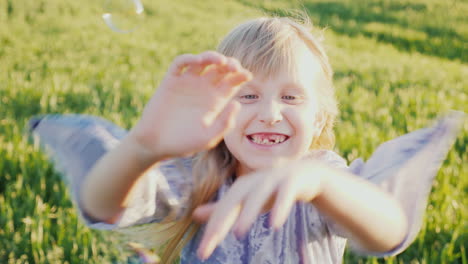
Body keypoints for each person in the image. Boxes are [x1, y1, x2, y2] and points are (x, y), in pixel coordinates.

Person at [30, 17, 463, 264]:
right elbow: (104, 204)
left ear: (320, 119)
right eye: (248, 95)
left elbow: (387, 232)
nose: (270, 112)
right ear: (218, 111)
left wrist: (323, 187)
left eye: (290, 97)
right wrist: (142, 147)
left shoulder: (319, 182)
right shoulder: (198, 175)